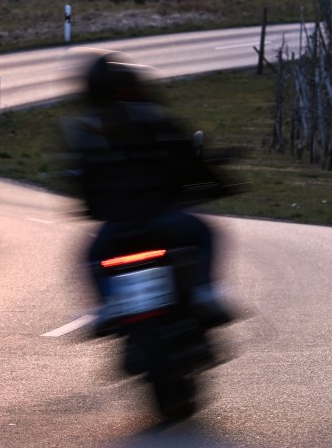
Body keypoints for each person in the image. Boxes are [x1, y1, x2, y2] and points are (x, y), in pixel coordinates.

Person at [63, 52, 236, 333]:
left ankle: (108, 303)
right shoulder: (153, 117)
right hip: (162, 216)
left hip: (116, 226)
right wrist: (219, 184)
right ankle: (205, 292)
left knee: (92, 256)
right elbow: (188, 159)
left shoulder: (85, 130)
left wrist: (93, 207)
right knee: (205, 233)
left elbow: (79, 182)